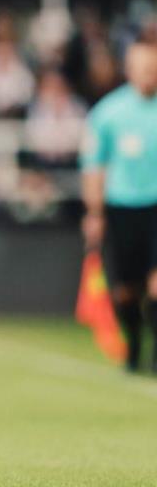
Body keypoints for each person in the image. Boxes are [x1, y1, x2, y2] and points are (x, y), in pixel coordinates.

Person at [81, 42, 157, 372]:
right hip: (121, 208)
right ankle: (134, 345)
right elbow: (93, 166)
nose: (149, 75)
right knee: (126, 289)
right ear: (130, 70)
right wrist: (94, 212)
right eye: (144, 68)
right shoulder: (108, 113)